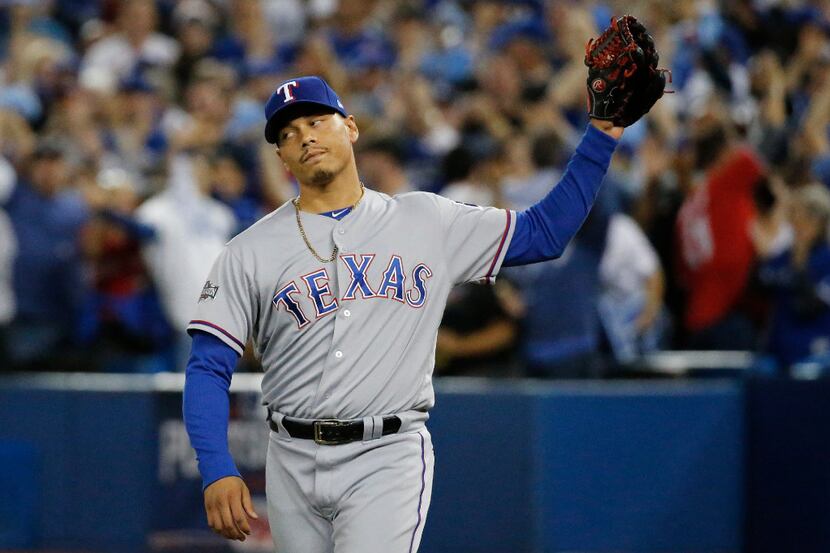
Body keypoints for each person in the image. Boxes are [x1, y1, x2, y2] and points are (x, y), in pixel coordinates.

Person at [182, 74, 625, 550]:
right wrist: (216, 467)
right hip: (288, 457)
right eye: (288, 134)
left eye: (316, 121)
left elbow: (545, 233)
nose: (304, 136)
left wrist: (602, 133)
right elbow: (208, 366)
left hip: (386, 453)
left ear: (350, 128)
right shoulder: (247, 251)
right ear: (281, 158)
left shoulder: (425, 220)